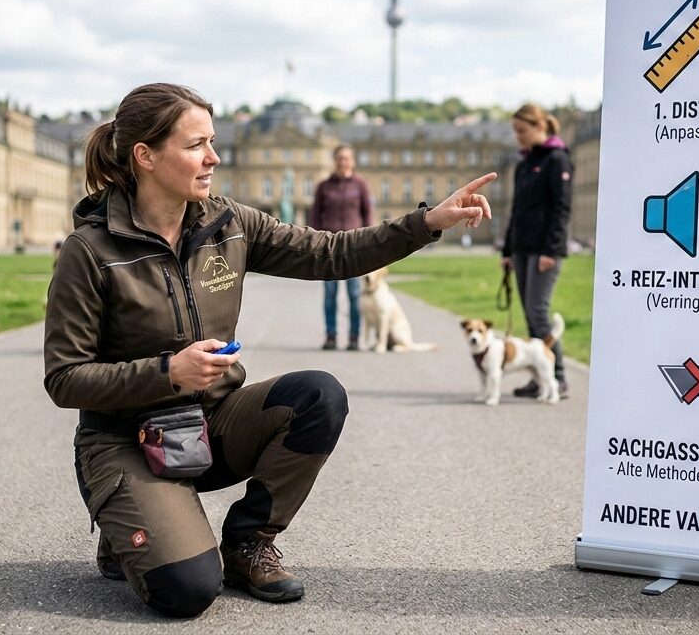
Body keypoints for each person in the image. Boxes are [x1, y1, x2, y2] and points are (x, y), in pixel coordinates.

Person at [43, 83, 494, 618]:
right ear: (144, 155)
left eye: (213, 141)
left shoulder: (228, 223)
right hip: (127, 439)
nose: (214, 156)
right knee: (187, 591)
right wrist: (169, 372)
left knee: (318, 396)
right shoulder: (89, 251)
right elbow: (65, 378)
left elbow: (331, 252)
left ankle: (247, 540)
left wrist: (426, 222)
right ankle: (131, 521)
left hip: (210, 423)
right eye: (195, 146)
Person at [501, 103, 573, 399]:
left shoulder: (557, 159)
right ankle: (538, 377)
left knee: (539, 314)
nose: (518, 136)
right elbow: (516, 211)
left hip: (545, 250)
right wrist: (507, 250)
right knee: (531, 317)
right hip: (521, 248)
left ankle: (558, 377)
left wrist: (551, 250)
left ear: (539, 126)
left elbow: (561, 208)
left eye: (522, 130)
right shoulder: (523, 164)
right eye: (515, 131)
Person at [308, 144, 372, 350]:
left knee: (354, 296)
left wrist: (370, 244)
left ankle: (354, 337)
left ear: (352, 161)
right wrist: (315, 244)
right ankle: (331, 335)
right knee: (329, 295)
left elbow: (368, 216)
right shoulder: (324, 186)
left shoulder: (360, 185)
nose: (343, 162)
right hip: (329, 249)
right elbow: (315, 216)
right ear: (334, 161)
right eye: (340, 158)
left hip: (354, 248)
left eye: (346, 158)